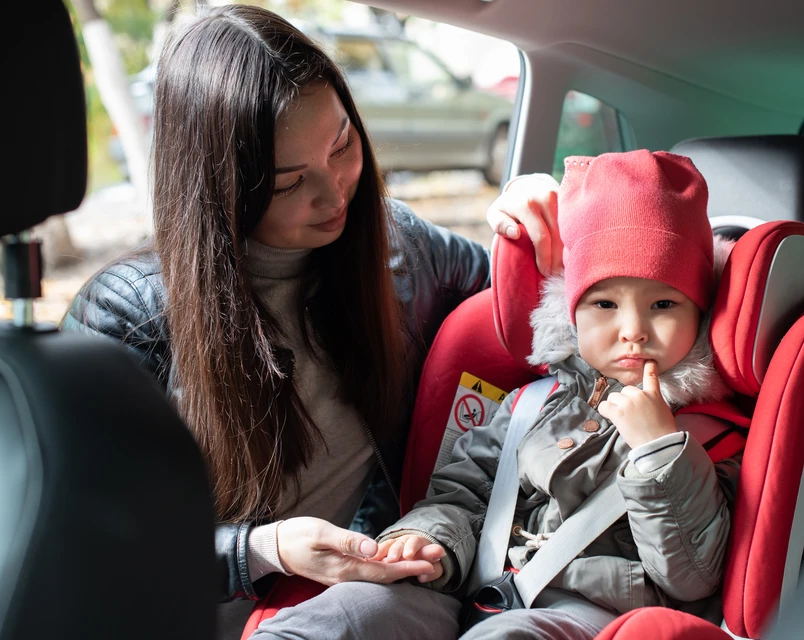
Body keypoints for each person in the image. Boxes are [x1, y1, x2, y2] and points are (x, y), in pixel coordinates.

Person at [59, 2, 559, 624]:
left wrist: (525, 216)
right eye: (289, 182)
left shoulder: (400, 249)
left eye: (343, 144)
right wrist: (263, 550)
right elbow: (90, 543)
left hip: (365, 604)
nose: (335, 191)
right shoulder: (128, 314)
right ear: (222, 187)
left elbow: (536, 305)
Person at [248, 150, 742, 640]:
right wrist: (424, 541)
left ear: (700, 312)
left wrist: (659, 452)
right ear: (571, 312)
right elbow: (460, 497)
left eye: (663, 304)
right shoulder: (529, 405)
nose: (632, 330)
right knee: (344, 614)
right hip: (471, 590)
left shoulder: (710, 437)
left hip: (589, 616)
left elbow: (693, 576)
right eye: (605, 303)